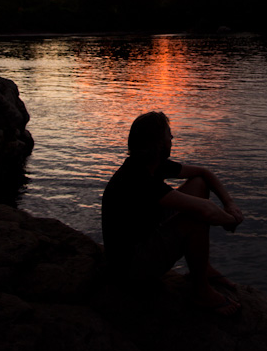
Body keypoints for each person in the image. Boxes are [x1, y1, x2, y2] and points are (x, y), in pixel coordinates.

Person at [102, 111, 244, 315]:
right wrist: (231, 220)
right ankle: (201, 293)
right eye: (169, 134)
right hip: (131, 269)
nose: (173, 138)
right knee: (196, 216)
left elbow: (204, 173)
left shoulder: (152, 165)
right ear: (158, 143)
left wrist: (229, 204)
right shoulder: (137, 179)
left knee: (198, 184)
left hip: (145, 235)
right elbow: (205, 210)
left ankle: (202, 269)